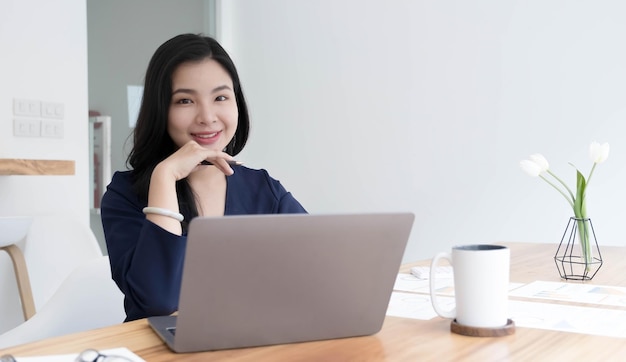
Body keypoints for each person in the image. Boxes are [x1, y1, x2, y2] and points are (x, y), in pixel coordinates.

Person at [101, 33, 307, 322]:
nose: (207, 116)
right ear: (161, 109)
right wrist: (165, 176)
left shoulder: (263, 189)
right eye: (185, 101)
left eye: (221, 97)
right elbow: (158, 303)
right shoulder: (124, 194)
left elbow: (316, 270)